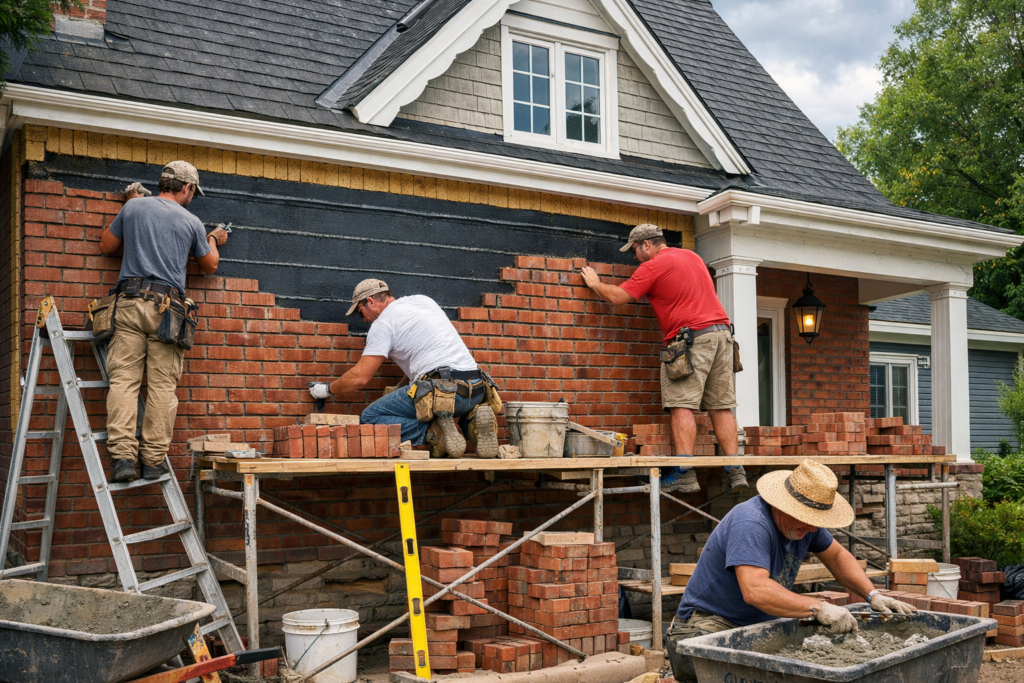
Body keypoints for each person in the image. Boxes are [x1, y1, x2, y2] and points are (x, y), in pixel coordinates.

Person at [665, 459, 917, 683]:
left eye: (816, 521)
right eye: (805, 518)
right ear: (783, 505)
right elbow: (755, 590)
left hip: (759, 622)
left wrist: (872, 595)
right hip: (709, 625)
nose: (811, 528)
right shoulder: (751, 523)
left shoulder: (808, 525)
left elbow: (838, 556)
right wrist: (819, 607)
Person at [581, 223, 745, 492]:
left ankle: (683, 472)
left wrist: (596, 284)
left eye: (634, 250)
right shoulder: (692, 257)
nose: (633, 257)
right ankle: (735, 469)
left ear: (646, 244)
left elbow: (620, 297)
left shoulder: (653, 265)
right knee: (721, 405)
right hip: (723, 336)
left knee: (681, 403)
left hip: (692, 340)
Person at [99, 161, 229, 482]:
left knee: (124, 382)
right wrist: (213, 237)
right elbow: (209, 265)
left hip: (127, 304)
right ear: (186, 188)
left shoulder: (133, 207)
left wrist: (130, 206)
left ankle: (123, 459)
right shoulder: (191, 221)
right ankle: (154, 461)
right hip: (167, 311)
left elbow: (106, 246)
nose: (192, 198)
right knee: (162, 387)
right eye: (193, 193)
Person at [308, 279, 499, 458]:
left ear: (371, 301)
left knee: (370, 417)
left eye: (360, 312)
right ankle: (473, 423)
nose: (364, 320)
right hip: (477, 388)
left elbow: (360, 377)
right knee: (457, 404)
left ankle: (433, 432)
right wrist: (401, 385)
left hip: (443, 392)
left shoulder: (382, 324)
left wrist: (326, 390)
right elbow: (426, 354)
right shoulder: (423, 301)